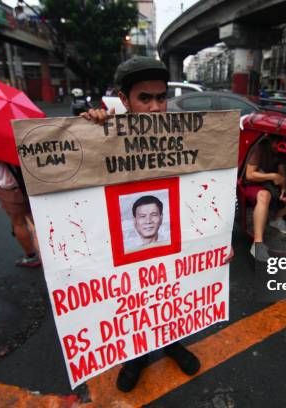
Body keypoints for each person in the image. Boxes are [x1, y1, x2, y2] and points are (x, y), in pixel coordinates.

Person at [83, 56, 219, 392]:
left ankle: (171, 342)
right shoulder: (102, 134)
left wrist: (214, 244)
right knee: (135, 297)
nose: (157, 107)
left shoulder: (186, 137)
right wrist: (88, 127)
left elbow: (203, 192)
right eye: (145, 98)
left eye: (162, 97)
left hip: (170, 239)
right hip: (126, 243)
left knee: (167, 294)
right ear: (124, 99)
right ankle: (136, 356)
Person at [244, 135, 286, 259]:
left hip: (272, 187)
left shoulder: (280, 153)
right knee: (264, 196)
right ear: (272, 141)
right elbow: (249, 175)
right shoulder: (259, 149)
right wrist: (272, 176)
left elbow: (281, 174)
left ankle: (276, 218)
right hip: (254, 185)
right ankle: (257, 244)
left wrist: (283, 189)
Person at [0, 157, 41, 268]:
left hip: (13, 188)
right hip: (35, 183)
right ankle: (51, 252)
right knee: (38, 220)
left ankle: (32, 256)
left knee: (19, 223)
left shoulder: (0, 141)